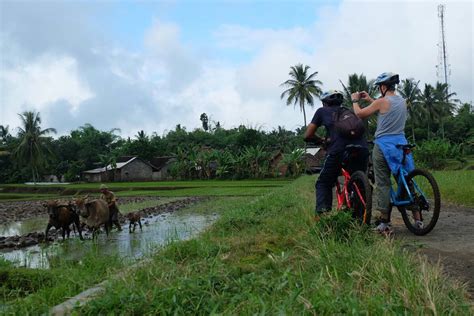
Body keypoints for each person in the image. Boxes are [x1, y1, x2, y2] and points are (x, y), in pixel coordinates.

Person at [351, 72, 416, 235]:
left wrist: (354, 101)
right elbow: (386, 109)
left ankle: (384, 221)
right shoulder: (402, 102)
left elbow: (359, 114)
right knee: (407, 177)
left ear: (383, 87)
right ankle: (418, 217)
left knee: (383, 182)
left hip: (384, 144)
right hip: (401, 142)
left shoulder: (382, 101)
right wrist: (370, 100)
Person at [304, 90, 368, 218]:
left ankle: (322, 217)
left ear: (325, 103)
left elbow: (308, 135)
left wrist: (321, 140)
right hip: (362, 148)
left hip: (338, 149)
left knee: (323, 183)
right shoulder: (349, 111)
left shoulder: (322, 111)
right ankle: (360, 216)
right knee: (357, 182)